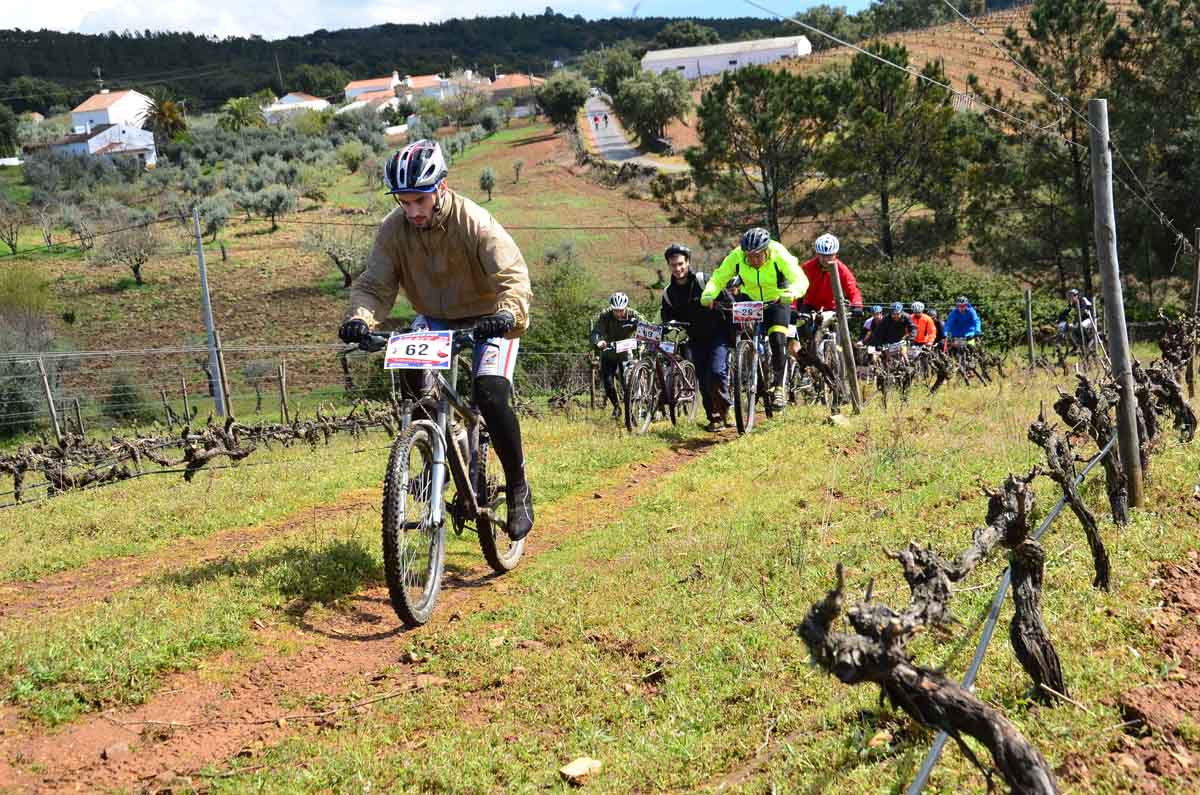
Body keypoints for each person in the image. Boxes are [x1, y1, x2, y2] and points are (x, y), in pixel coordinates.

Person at [338, 139, 534, 542]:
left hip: (489, 317)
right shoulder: (394, 229)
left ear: (440, 189)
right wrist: (359, 318)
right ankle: (441, 447)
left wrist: (506, 313)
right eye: (403, 202)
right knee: (412, 377)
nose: (412, 212)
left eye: (419, 201)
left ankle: (518, 488)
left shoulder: (474, 221)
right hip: (435, 317)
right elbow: (374, 285)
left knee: (491, 393)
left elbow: (513, 276)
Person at [700, 227, 808, 409]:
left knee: (777, 338)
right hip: (750, 298)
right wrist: (709, 294)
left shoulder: (778, 253)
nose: (754, 260)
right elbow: (718, 278)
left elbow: (800, 279)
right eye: (750, 256)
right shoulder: (737, 256)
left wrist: (791, 292)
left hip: (777, 298)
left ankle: (779, 387)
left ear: (766, 250)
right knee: (737, 331)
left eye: (758, 255)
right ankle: (746, 361)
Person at [660, 243, 731, 430]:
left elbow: (727, 300)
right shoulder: (669, 293)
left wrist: (721, 309)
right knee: (703, 379)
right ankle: (714, 417)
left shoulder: (703, 280)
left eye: (681, 263)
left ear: (688, 262)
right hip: (694, 340)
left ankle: (726, 407)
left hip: (717, 335)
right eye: (673, 265)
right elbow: (667, 318)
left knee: (716, 372)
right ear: (669, 266)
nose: (678, 268)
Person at [591, 292, 647, 419]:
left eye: (621, 310)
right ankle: (616, 407)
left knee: (627, 382)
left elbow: (646, 327)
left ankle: (632, 410)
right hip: (609, 350)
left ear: (626, 307)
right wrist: (598, 341)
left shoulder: (633, 315)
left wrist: (642, 339)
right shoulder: (605, 315)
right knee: (608, 382)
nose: (618, 313)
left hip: (626, 351)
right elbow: (596, 331)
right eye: (615, 310)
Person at [798, 233, 863, 331]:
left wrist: (857, 304)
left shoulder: (841, 269)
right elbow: (795, 285)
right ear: (817, 254)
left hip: (832, 307)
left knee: (840, 332)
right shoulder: (807, 267)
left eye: (829, 256)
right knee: (801, 331)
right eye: (822, 256)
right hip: (810, 306)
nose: (825, 259)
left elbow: (852, 289)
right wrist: (792, 306)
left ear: (835, 254)